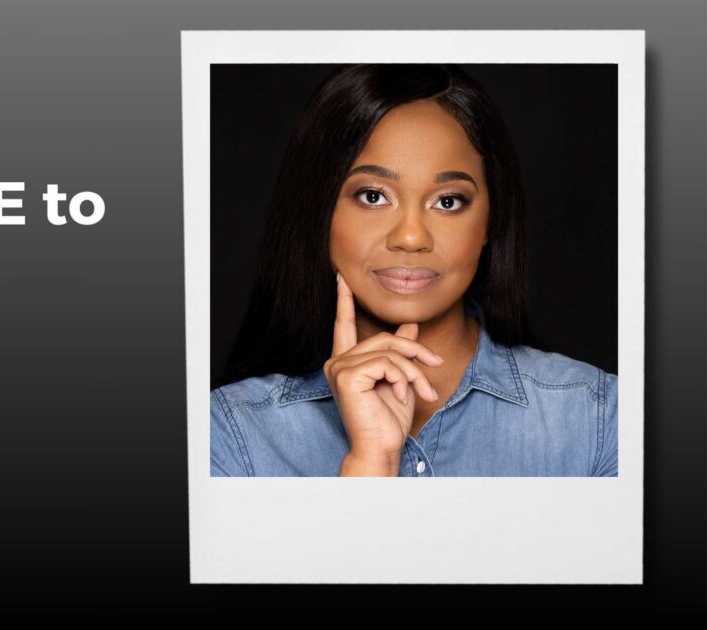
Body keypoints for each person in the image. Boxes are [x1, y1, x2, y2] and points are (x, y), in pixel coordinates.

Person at [210, 64, 618, 477]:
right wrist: (372, 462)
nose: (409, 237)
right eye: (373, 196)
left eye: (448, 201)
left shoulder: (599, 421)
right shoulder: (229, 435)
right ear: (318, 210)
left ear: (491, 222)